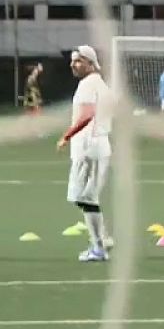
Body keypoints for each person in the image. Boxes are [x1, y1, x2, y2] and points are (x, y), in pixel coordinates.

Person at [56, 45, 114, 261]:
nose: (73, 64)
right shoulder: (99, 84)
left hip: (89, 147)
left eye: (78, 60)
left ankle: (98, 248)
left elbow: (87, 114)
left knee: (86, 198)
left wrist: (67, 135)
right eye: (72, 60)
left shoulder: (89, 85)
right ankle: (103, 238)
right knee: (85, 197)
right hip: (97, 146)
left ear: (90, 63)